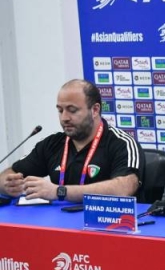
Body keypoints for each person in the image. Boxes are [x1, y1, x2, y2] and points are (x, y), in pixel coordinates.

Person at [0, 79, 143, 202]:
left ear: (95, 110)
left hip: (107, 222)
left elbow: (123, 188)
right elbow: (10, 173)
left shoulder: (121, 143)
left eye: (72, 110)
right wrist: (7, 184)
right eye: (60, 110)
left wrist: (59, 191)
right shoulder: (52, 144)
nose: (64, 118)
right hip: (61, 222)